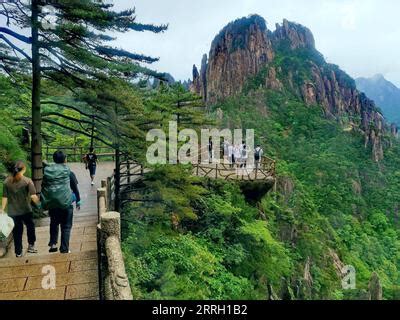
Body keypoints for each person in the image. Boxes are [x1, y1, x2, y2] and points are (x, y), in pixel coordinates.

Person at [44, 151, 81, 254]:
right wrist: (78, 201)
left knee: (54, 223)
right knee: (66, 226)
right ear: (65, 159)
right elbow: (75, 188)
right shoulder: (69, 172)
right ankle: (64, 249)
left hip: (53, 203)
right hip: (66, 204)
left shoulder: (48, 173)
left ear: (54, 159)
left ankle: (53, 244)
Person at [1, 161, 40, 257]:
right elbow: (33, 197)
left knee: (17, 231)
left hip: (13, 212)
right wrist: (39, 204)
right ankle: (31, 246)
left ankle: (18, 252)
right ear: (24, 169)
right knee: (30, 227)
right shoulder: (27, 181)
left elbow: (5, 197)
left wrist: (2, 209)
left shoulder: (6, 182)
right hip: (26, 210)